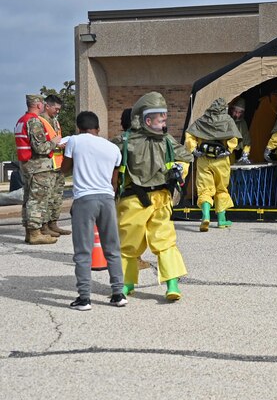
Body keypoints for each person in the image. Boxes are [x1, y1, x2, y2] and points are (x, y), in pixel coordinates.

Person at [113, 92, 193, 301]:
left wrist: (181, 166)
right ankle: (126, 283)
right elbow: (107, 157)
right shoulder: (125, 140)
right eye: (161, 117)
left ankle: (172, 285)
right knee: (128, 243)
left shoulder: (165, 140)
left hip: (160, 198)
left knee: (165, 241)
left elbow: (186, 155)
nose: (165, 120)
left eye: (165, 116)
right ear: (147, 120)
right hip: (133, 200)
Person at [61, 111, 126, 310]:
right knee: (112, 249)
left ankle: (84, 298)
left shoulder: (74, 141)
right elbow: (115, 181)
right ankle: (118, 294)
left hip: (84, 200)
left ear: (79, 128)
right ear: (97, 129)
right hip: (107, 199)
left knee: (83, 251)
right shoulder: (113, 147)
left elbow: (65, 169)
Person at [185, 98, 240, 231]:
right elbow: (234, 138)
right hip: (221, 160)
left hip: (204, 159)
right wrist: (228, 150)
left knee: (204, 189)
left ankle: (206, 216)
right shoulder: (227, 120)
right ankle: (221, 220)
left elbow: (189, 135)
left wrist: (194, 149)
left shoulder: (202, 120)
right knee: (221, 189)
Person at [14, 94, 61, 245]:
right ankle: (35, 233)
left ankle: (30, 232)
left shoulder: (21, 120)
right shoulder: (34, 121)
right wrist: (54, 142)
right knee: (37, 200)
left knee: (28, 199)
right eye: (42, 103)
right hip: (37, 167)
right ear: (39, 105)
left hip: (27, 165)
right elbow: (41, 147)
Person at [119, 108, 153, 272]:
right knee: (137, 230)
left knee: (127, 228)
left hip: (124, 191)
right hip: (141, 192)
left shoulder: (117, 141)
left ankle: (132, 259)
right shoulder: (147, 142)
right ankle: (133, 261)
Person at [40, 94, 71, 237]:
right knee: (46, 197)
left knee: (57, 197)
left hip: (58, 166)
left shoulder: (56, 122)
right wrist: (55, 143)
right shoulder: (39, 121)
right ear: (47, 106)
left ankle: (53, 223)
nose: (57, 111)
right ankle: (44, 225)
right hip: (46, 166)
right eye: (56, 109)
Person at [229, 97, 252, 163]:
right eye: (235, 111)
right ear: (231, 110)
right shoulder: (226, 120)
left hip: (235, 152)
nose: (237, 114)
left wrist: (245, 153)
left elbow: (247, 140)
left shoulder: (242, 123)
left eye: (239, 112)